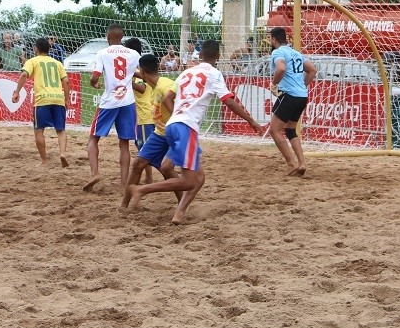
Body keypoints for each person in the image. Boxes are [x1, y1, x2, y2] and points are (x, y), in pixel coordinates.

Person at [124, 40, 265, 224]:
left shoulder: (186, 72)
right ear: (218, 56)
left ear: (200, 55)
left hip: (172, 124)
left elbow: (168, 97)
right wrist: (251, 121)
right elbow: (228, 101)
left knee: (194, 176)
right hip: (186, 128)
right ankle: (142, 190)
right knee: (191, 181)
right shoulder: (214, 74)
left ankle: (179, 214)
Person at [83, 24, 141, 192]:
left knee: (93, 138)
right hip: (128, 101)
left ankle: (95, 173)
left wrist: (94, 83)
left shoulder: (102, 53)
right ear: (121, 37)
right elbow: (142, 72)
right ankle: (124, 185)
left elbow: (95, 76)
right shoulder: (133, 53)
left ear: (108, 36)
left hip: (109, 102)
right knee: (124, 144)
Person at [121, 53, 179, 207]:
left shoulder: (164, 86)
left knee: (167, 170)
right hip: (159, 134)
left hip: (175, 134)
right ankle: (124, 207)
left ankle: (183, 203)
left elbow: (176, 104)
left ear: (144, 72)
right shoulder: (156, 84)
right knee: (138, 164)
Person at [11, 37, 70, 167]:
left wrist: (17, 92)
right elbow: (66, 81)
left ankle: (44, 160)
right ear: (49, 49)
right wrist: (67, 99)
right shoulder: (57, 63)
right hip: (58, 99)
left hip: (42, 99)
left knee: (39, 130)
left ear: (35, 49)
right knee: (61, 130)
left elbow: (23, 75)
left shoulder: (33, 61)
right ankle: (63, 154)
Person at [269, 27, 317, 177]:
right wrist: (302, 86)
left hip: (288, 96)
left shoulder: (278, 52)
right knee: (290, 130)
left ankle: (291, 163)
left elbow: (281, 68)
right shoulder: (296, 53)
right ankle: (302, 163)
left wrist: (274, 84)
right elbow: (313, 70)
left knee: (274, 130)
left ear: (274, 39)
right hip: (302, 97)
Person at [126, 38, 154, 184]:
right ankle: (148, 176)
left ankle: (149, 177)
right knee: (144, 147)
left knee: (144, 149)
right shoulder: (142, 67)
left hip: (144, 116)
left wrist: (125, 82)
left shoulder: (136, 69)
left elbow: (142, 88)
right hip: (148, 114)